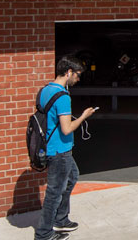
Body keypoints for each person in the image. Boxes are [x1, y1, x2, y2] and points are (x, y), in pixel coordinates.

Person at [34, 56, 97, 240]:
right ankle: (44, 234)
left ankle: (61, 219)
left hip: (51, 147)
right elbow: (67, 128)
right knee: (54, 192)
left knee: (72, 177)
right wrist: (84, 116)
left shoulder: (45, 90)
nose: (78, 79)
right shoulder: (63, 97)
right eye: (77, 75)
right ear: (69, 72)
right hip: (60, 150)